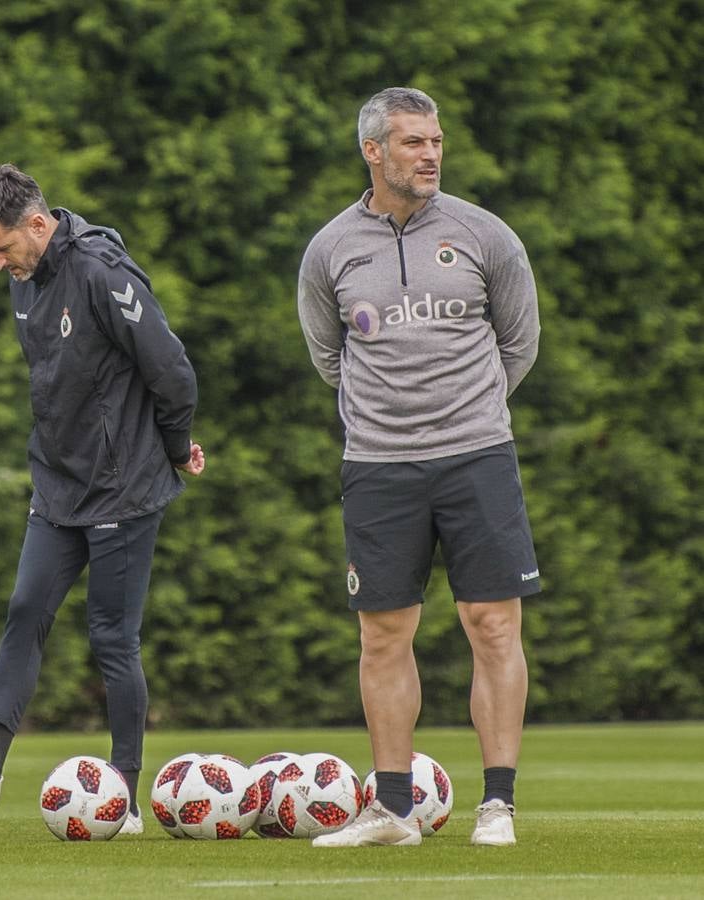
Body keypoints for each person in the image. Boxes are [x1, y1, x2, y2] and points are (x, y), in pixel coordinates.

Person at [0, 164, 205, 836]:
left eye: (1, 248)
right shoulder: (25, 278)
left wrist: (174, 447)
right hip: (58, 483)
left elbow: (172, 371)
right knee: (25, 610)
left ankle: (126, 799)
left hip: (124, 486)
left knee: (112, 640)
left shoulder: (103, 273)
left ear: (39, 225)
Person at [297, 87, 541, 847]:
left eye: (435, 141)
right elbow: (329, 357)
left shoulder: (484, 234)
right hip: (378, 466)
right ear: (373, 151)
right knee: (382, 633)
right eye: (412, 142)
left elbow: (518, 343)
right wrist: (391, 419)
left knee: (493, 624)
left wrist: (464, 413)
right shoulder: (330, 248)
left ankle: (496, 806)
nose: (430, 154)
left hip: (477, 455)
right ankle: (393, 811)